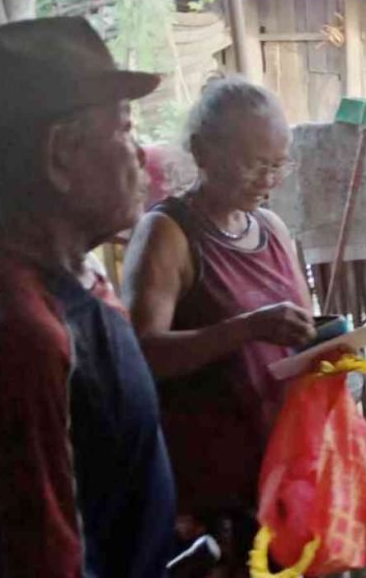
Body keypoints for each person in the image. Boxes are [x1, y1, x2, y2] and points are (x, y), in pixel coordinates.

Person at [0, 17, 176, 576]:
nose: (140, 156)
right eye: (123, 131)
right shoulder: (14, 328)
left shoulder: (46, 279)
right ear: (62, 152)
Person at [121, 76, 316, 577]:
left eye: (278, 164)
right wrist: (245, 329)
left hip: (282, 468)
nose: (268, 178)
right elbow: (141, 355)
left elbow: (298, 328)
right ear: (203, 151)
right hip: (213, 485)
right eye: (254, 163)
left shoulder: (270, 230)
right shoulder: (167, 233)